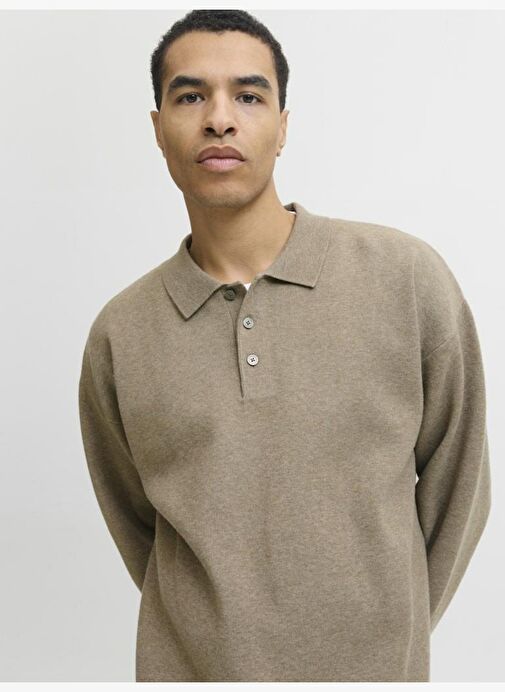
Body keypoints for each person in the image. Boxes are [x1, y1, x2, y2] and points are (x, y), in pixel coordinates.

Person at [78, 9, 491, 683]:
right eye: (191, 96)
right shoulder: (120, 335)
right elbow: (138, 528)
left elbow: (460, 485)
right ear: (157, 128)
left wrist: (395, 633)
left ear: (283, 126)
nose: (219, 119)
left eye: (248, 96)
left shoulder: (405, 278)